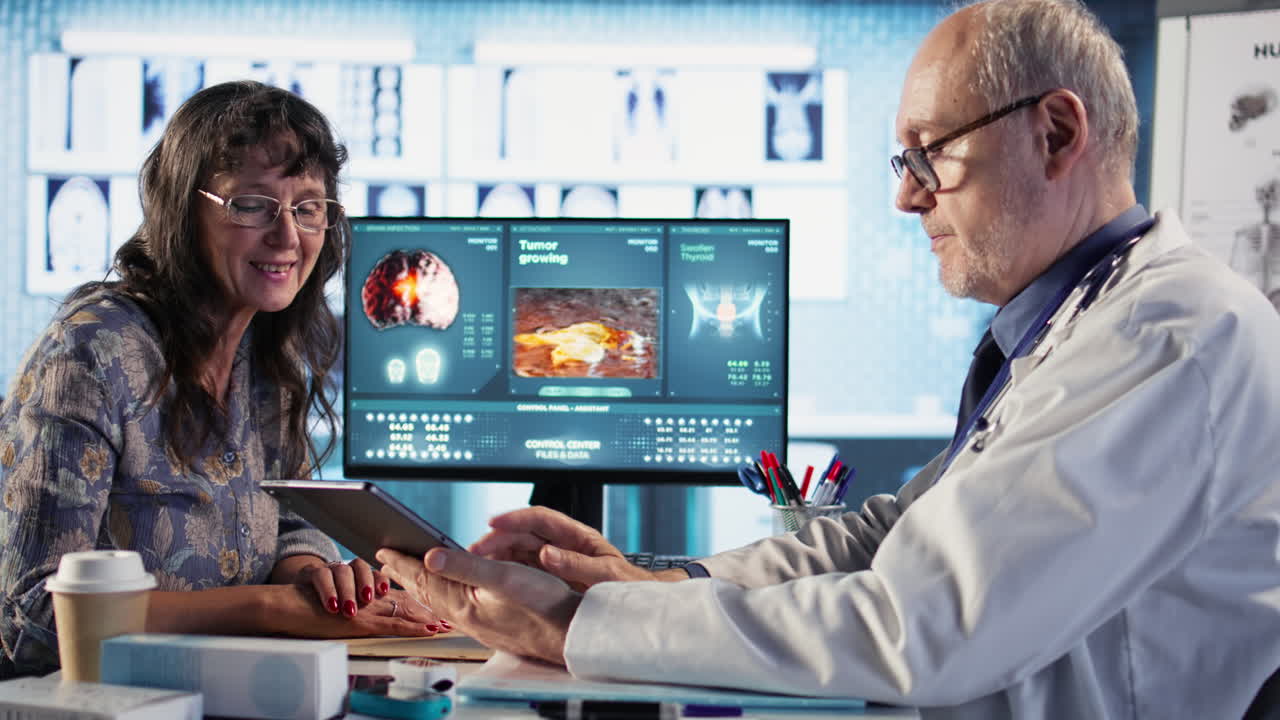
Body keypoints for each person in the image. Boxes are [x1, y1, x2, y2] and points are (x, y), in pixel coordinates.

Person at [376, 1, 1280, 718]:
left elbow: (921, 626)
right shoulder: (1082, 320)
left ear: (1054, 132)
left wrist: (582, 620)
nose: (903, 194)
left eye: (931, 153)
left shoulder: (1172, 335)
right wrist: (655, 582)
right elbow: (891, 535)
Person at [0, 80, 445, 679]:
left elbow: (288, 522)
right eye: (253, 205)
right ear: (185, 209)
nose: (288, 236)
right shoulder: (93, 352)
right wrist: (273, 609)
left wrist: (314, 579)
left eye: (308, 207)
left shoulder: (263, 350)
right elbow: (29, 620)